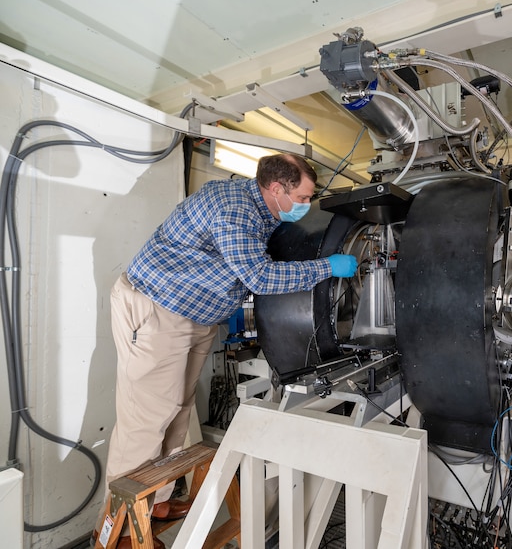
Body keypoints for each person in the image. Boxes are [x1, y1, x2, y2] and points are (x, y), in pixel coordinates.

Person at [97, 153, 357, 548]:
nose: (308, 202)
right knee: (145, 420)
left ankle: (157, 502)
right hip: (157, 308)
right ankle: (123, 533)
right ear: (276, 188)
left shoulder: (266, 211)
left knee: (178, 410)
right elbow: (259, 276)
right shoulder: (234, 209)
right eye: (304, 195)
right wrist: (327, 267)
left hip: (195, 315)